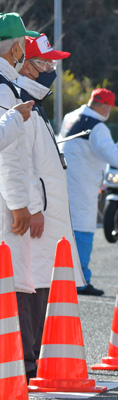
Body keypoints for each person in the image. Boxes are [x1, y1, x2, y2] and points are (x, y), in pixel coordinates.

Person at [13, 33, 87, 382]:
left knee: (41, 283)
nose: (52, 69)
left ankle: (37, 357)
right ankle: (28, 362)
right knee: (30, 283)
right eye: (45, 62)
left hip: (43, 213)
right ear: (25, 64)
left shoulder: (32, 102)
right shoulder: (21, 103)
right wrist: (32, 206)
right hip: (34, 215)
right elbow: (20, 161)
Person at [58, 88, 118, 296]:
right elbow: (110, 153)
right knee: (83, 229)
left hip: (62, 180)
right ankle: (80, 281)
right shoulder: (97, 127)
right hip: (83, 185)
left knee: (64, 230)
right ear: (106, 107)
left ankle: (61, 277)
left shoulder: (69, 117)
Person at [0, 13, 39, 322]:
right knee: (10, 282)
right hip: (6, 207)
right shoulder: (4, 88)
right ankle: (18, 366)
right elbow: (10, 154)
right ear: (14, 50)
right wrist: (19, 204)